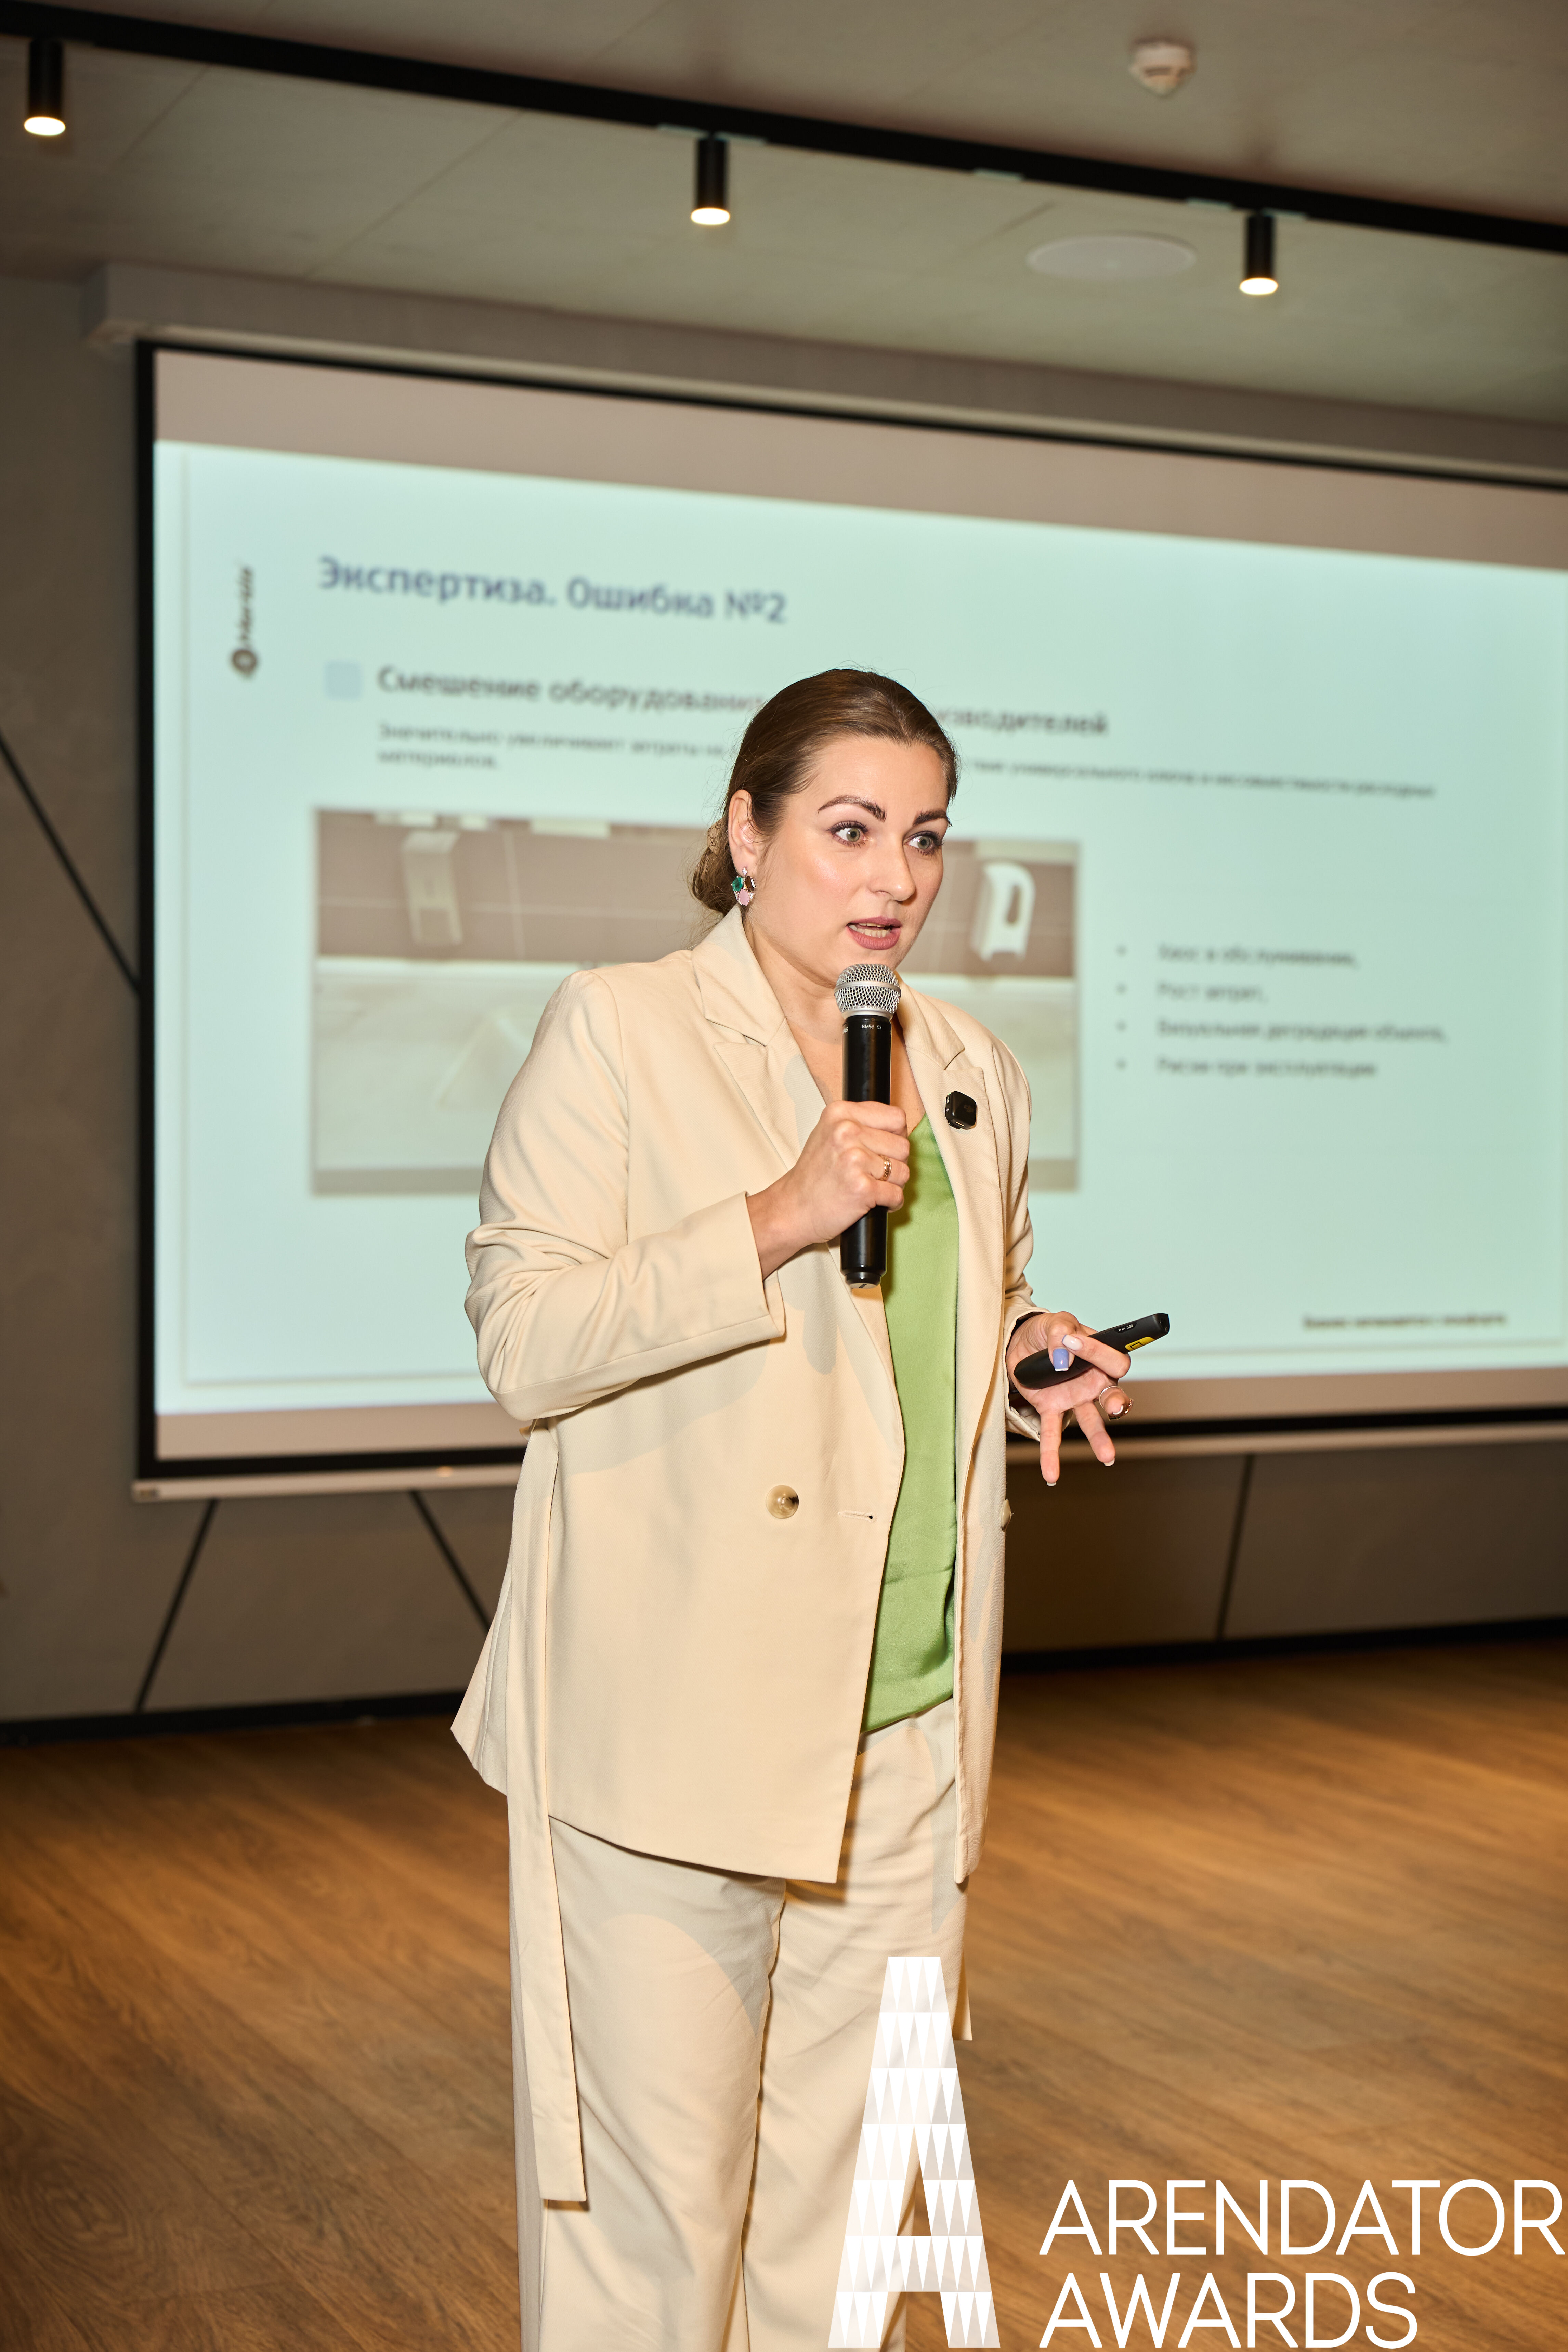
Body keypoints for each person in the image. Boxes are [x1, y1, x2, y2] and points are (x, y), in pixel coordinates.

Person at [453, 669, 1130, 2350]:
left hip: (906, 1737)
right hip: (671, 1732)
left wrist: (1030, 1349)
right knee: (651, 2236)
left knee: (848, 2243)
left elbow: (962, 1303)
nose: (895, 876)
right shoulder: (618, 1029)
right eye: (850, 829)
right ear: (745, 835)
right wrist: (776, 1213)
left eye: (927, 836)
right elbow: (525, 1344)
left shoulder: (966, 1063)